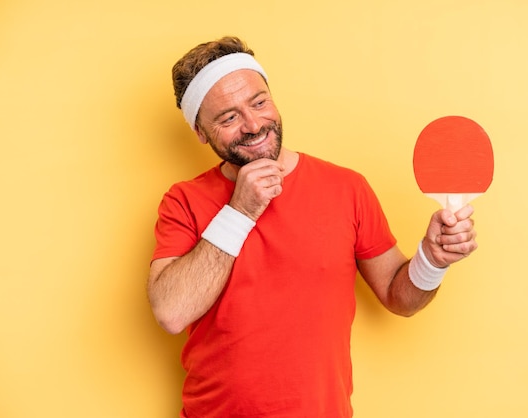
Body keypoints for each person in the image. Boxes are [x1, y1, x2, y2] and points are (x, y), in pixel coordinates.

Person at [147, 36, 478, 418]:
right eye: (229, 117)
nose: (255, 125)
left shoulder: (346, 188)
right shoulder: (183, 201)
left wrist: (433, 260)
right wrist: (240, 210)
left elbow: (397, 296)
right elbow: (171, 312)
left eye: (259, 102)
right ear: (201, 133)